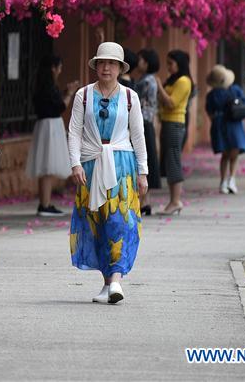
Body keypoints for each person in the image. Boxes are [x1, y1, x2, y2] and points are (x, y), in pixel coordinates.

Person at [68, 42, 148, 304]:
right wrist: (75, 164)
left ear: (120, 68)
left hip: (122, 165)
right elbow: (74, 132)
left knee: (121, 221)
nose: (106, 67)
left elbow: (138, 135)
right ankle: (107, 283)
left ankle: (116, 280)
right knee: (96, 224)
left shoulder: (129, 97)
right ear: (96, 66)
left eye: (112, 63)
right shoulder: (83, 95)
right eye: (102, 62)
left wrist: (143, 171)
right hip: (90, 164)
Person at [26, 55, 80, 216]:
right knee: (47, 166)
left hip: (45, 125)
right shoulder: (48, 87)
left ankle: (45, 202)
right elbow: (59, 106)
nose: (60, 71)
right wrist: (69, 93)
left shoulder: (41, 85)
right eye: (59, 67)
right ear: (53, 68)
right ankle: (45, 203)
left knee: (45, 166)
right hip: (50, 126)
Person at [156, 49, 193, 215]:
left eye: (171, 63)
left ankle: (175, 200)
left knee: (173, 161)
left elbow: (171, 102)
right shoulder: (173, 80)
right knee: (169, 161)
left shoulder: (184, 81)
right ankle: (173, 201)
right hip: (167, 123)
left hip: (175, 124)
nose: (168, 67)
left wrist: (158, 86)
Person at [205, 65, 245, 194]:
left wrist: (216, 120)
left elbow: (209, 111)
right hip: (234, 123)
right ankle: (232, 180)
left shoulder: (212, 94)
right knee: (234, 154)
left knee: (225, 155)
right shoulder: (235, 89)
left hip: (219, 124)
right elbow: (244, 102)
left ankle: (223, 182)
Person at [131, 49, 160, 215]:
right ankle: (145, 201)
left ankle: (143, 201)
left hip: (142, 123)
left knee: (143, 162)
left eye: (141, 60)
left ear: (147, 63)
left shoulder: (146, 81)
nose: (138, 63)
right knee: (146, 161)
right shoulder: (149, 79)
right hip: (147, 123)